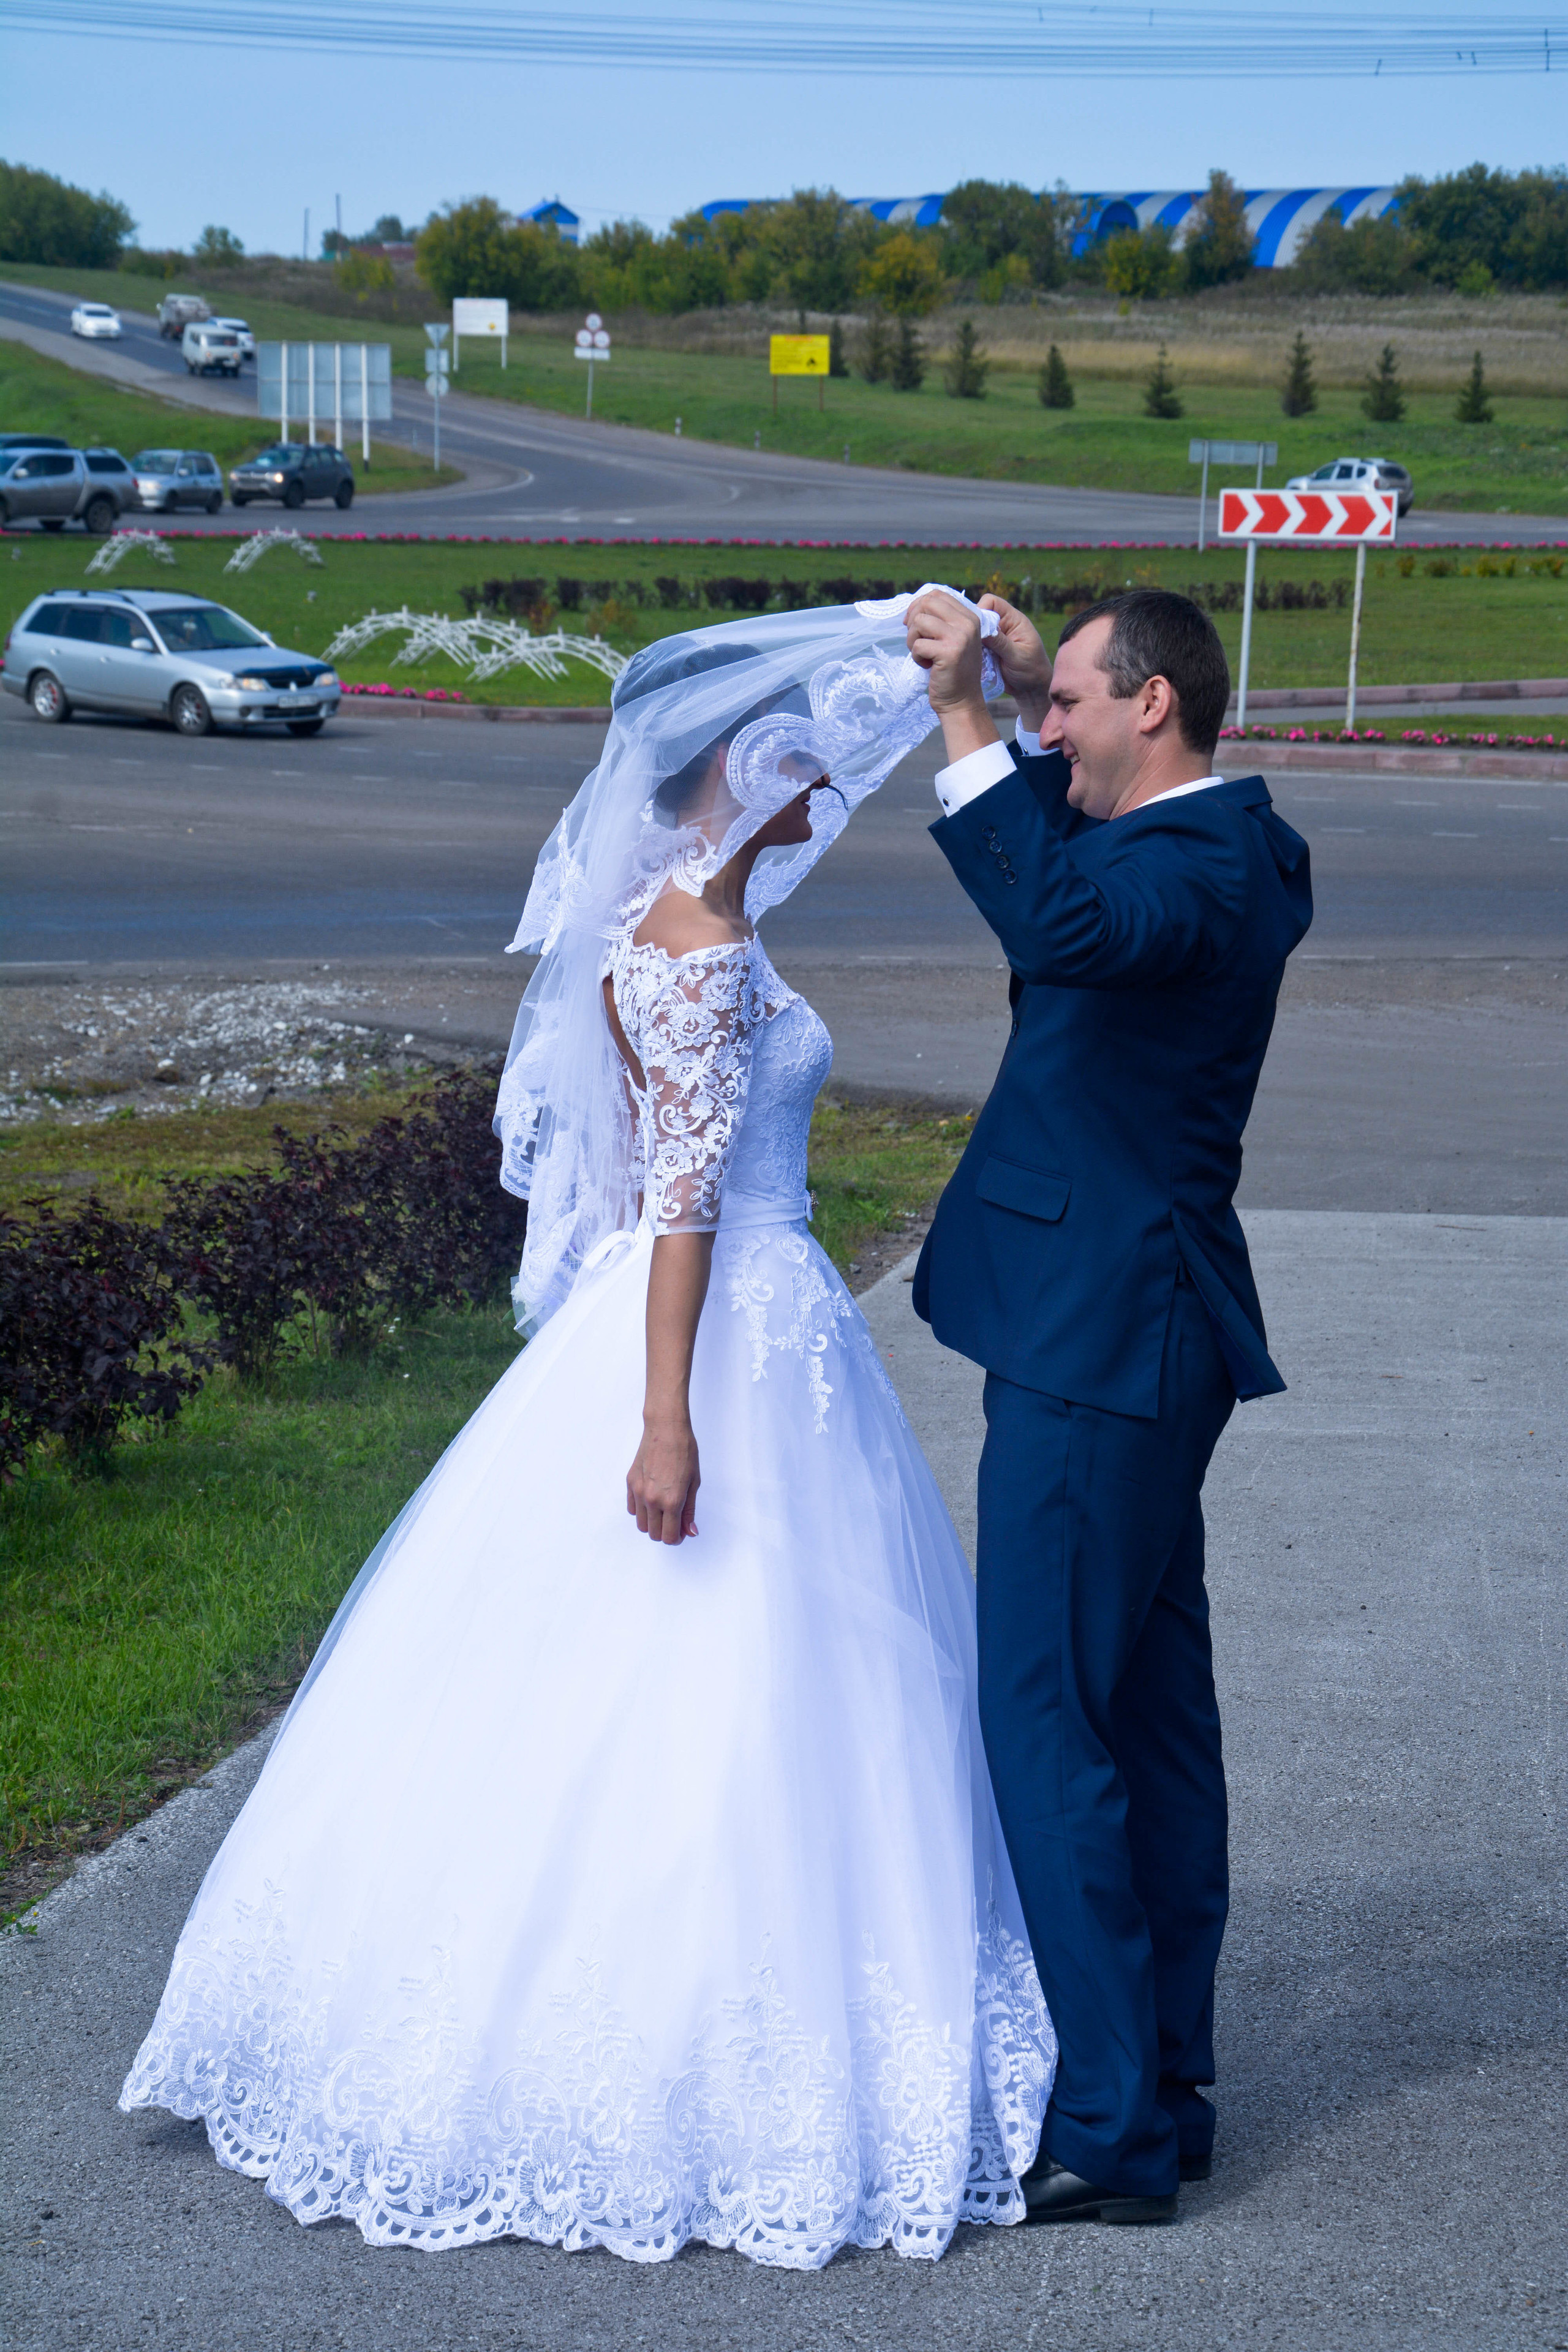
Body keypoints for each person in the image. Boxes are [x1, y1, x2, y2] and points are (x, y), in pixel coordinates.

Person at [119, 599, 1057, 2271]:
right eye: (807, 768)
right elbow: (680, 1198)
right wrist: (664, 1419)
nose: (827, 791)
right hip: (718, 1338)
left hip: (755, 1320)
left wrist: (988, 670)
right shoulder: (693, 948)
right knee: (730, 1675)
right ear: (748, 772)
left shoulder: (686, 920)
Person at [902, 586, 1312, 2223]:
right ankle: (1164, 2089)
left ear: (1153, 706)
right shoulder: (1221, 840)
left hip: (1103, 1348)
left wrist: (960, 725)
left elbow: (1064, 928)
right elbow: (1083, 888)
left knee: (1047, 1724)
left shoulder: (1200, 868)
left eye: (1069, 702)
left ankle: (1111, 2127)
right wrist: (1013, 693)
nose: (1046, 724)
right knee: (1148, 1724)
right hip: (1135, 1337)